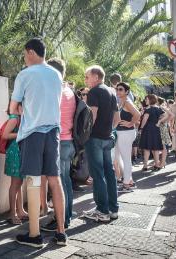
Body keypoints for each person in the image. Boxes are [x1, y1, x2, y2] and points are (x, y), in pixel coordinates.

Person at [11, 38, 66, 247]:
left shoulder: (25, 74)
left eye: (25, 54)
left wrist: (21, 108)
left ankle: (34, 235)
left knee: (33, 180)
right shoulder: (56, 75)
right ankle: (61, 233)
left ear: (31, 52)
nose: (25, 58)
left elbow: (12, 106)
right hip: (53, 132)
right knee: (55, 179)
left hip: (32, 132)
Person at [41, 58, 76, 232]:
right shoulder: (68, 91)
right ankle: (67, 216)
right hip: (68, 140)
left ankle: (62, 220)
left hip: (59, 140)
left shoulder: (57, 92)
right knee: (66, 181)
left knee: (59, 183)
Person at [82, 65, 120, 223]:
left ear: (96, 77)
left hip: (95, 138)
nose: (85, 79)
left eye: (87, 76)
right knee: (109, 173)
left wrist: (85, 134)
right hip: (107, 138)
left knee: (98, 174)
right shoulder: (112, 91)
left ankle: (102, 210)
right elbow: (117, 118)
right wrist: (109, 131)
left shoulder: (94, 92)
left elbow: (93, 116)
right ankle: (112, 209)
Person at [2, 102, 28, 225]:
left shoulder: (20, 117)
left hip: (19, 151)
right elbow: (5, 135)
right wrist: (21, 134)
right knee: (15, 183)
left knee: (19, 182)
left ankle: (20, 210)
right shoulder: (14, 119)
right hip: (15, 152)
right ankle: (13, 214)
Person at [114, 82, 140, 192]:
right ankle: (129, 181)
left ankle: (126, 185)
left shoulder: (127, 102)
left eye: (120, 89)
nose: (118, 91)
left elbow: (138, 114)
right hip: (121, 133)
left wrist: (130, 123)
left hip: (126, 133)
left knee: (126, 159)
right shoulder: (121, 102)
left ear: (126, 91)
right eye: (117, 89)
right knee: (119, 158)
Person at [139, 94, 167, 172]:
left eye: (147, 99)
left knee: (147, 148)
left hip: (148, 129)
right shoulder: (158, 108)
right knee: (156, 148)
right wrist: (159, 121)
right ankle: (157, 165)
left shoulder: (148, 109)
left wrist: (141, 128)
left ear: (151, 100)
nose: (145, 100)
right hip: (156, 129)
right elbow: (166, 115)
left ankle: (145, 166)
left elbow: (144, 120)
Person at [158, 97, 173, 168]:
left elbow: (172, 115)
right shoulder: (160, 107)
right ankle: (162, 162)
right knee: (161, 147)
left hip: (161, 128)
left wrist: (164, 121)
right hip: (161, 128)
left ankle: (162, 162)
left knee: (163, 147)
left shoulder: (161, 107)